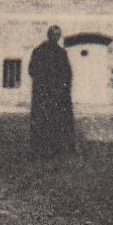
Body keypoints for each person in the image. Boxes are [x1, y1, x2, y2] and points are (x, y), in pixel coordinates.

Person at [28, 25, 77, 157]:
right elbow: (32, 70)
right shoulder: (40, 51)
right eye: (54, 35)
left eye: (57, 35)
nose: (56, 37)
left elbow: (67, 74)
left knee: (52, 122)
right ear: (49, 35)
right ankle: (42, 149)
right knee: (47, 121)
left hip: (50, 95)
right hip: (49, 94)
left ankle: (50, 148)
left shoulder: (58, 53)